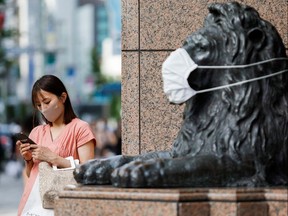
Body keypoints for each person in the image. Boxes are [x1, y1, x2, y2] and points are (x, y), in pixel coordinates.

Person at [17, 75, 96, 216]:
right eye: (39, 105)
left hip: (66, 205)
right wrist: (29, 160)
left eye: (47, 102)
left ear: (63, 97)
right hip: (35, 205)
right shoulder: (36, 132)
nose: (44, 109)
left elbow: (88, 172)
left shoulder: (80, 128)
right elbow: (31, 176)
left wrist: (53, 158)